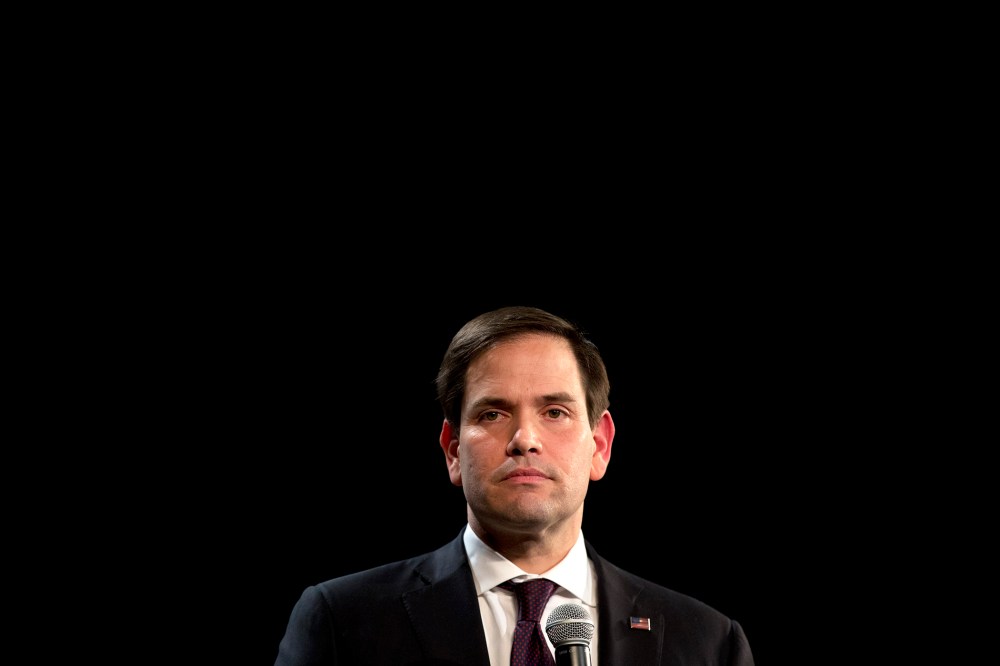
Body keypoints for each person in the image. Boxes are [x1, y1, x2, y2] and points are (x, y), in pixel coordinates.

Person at [274, 305, 754, 665]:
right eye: (493, 413)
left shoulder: (710, 642)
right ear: (453, 450)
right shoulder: (341, 622)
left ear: (600, 445)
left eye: (555, 412)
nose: (525, 439)